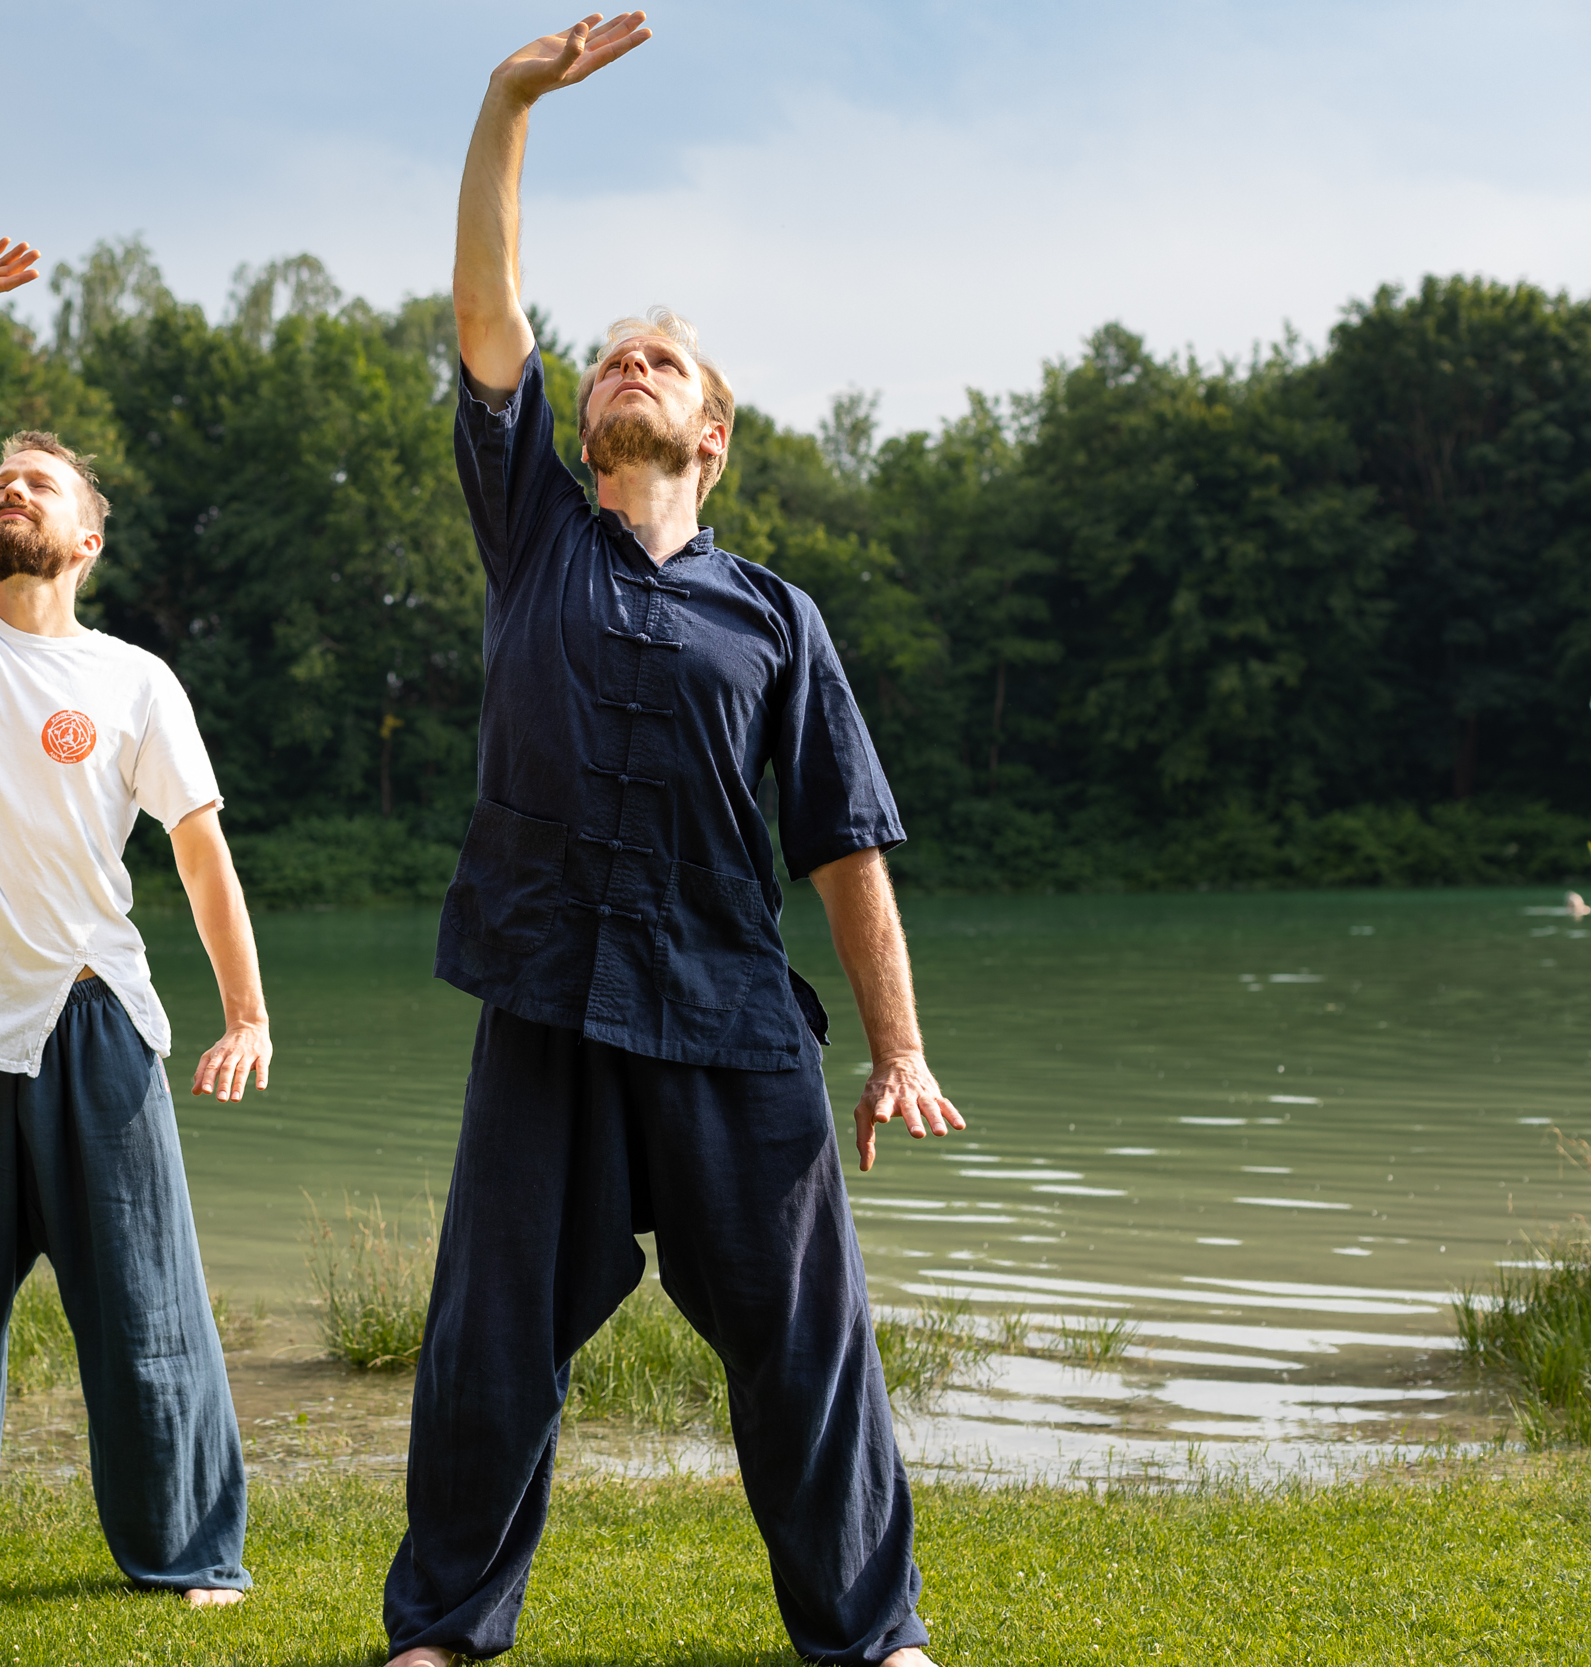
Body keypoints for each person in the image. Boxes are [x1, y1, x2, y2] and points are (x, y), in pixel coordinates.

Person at [382, 16, 965, 1666]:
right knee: (492, 1336)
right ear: (583, 430)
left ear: (713, 432)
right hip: (548, 1007)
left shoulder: (778, 619)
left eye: (664, 360)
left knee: (806, 1345)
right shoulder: (535, 540)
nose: (625, 364)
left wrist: (897, 1047)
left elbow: (845, 843)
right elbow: (491, 316)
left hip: (727, 1022)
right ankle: (442, 1632)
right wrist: (507, 104)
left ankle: (871, 1637)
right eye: (613, 358)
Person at [0, 238, 270, 1609]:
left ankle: (189, 1555)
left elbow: (201, 856)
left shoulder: (136, 681)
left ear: (86, 537)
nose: (10, 489)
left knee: (147, 1321)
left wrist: (247, 1012)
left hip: (93, 1027)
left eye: (42, 482)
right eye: (0, 478)